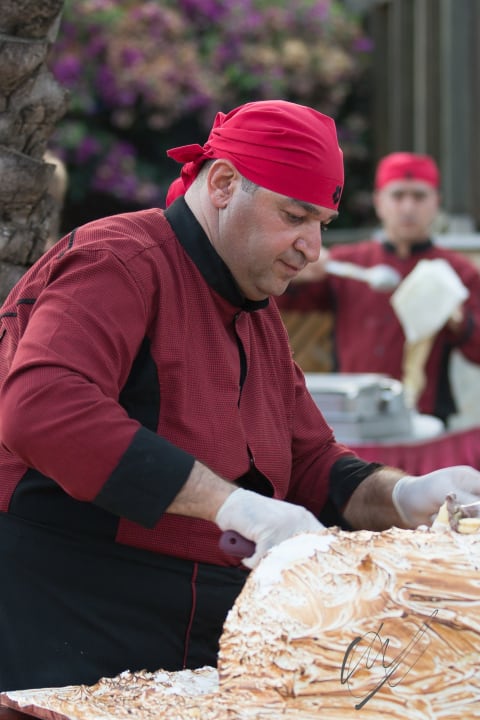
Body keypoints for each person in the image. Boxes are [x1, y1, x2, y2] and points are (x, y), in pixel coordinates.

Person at [1, 102, 480, 692]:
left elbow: (310, 463)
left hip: (199, 639)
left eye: (323, 224)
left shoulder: (257, 312)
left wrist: (406, 496)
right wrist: (231, 505)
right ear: (224, 184)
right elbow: (42, 409)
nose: (312, 248)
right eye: (295, 216)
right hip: (69, 616)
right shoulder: (119, 258)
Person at [276, 152, 480, 424]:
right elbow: (283, 301)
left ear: (436, 203)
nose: (408, 207)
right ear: (379, 202)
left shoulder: (456, 271)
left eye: (419, 197)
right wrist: (294, 271)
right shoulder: (347, 263)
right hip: (354, 410)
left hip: (424, 415)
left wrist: (458, 318)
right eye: (398, 196)